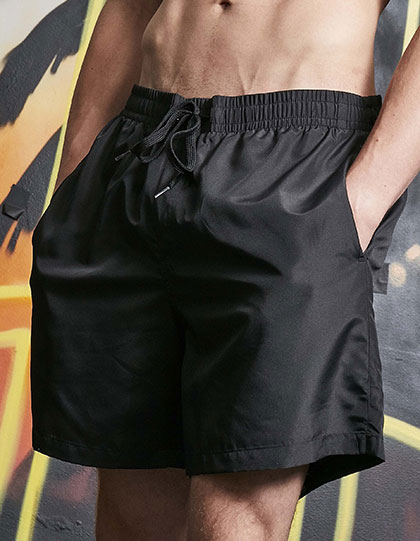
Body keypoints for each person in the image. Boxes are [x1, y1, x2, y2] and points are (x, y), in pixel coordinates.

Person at [29, 1, 420, 539]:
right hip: (142, 148)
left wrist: (365, 200)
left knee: (237, 523)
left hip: (297, 162)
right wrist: (75, 185)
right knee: (131, 521)